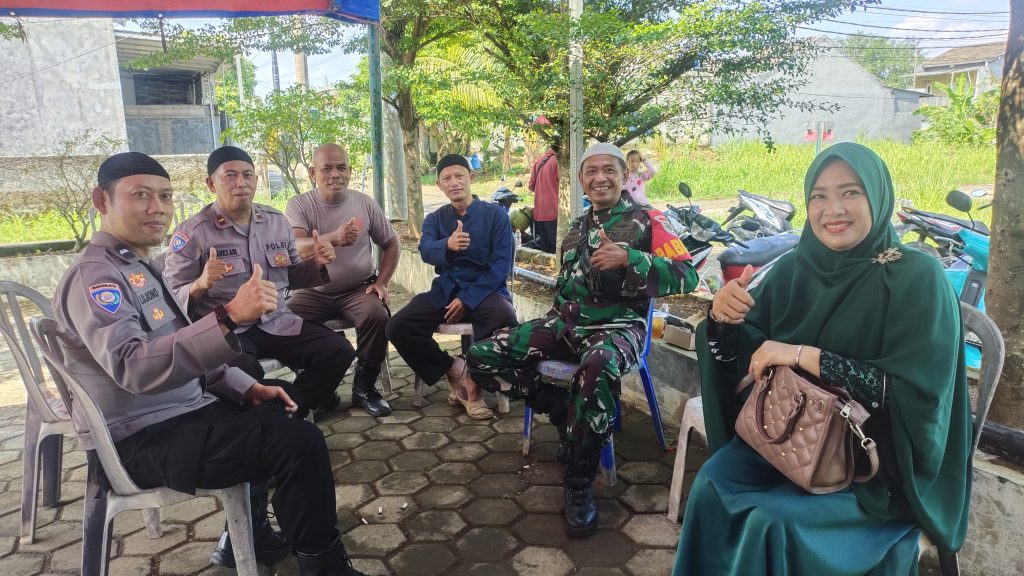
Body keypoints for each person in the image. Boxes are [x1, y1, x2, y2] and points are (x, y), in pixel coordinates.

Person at [53, 152, 368, 576]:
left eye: (165, 196)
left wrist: (243, 387)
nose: (157, 208)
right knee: (299, 442)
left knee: (281, 403)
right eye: (141, 195)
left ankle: (252, 533)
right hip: (139, 439)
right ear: (101, 200)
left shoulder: (136, 264)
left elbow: (174, 338)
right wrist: (229, 316)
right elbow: (134, 367)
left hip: (183, 410)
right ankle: (324, 567)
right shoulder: (97, 278)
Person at [672, 142, 971, 575]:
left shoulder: (915, 277)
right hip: (786, 440)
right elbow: (741, 360)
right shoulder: (795, 268)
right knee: (712, 484)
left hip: (873, 464)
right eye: (819, 195)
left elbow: (913, 396)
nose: (834, 209)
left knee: (773, 523)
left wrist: (802, 355)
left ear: (877, 197)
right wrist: (722, 319)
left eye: (850, 192)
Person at [464, 143, 699, 536]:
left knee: (598, 368)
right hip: (565, 324)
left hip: (618, 328)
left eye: (609, 170)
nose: (600, 178)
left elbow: (688, 275)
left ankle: (578, 483)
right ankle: (562, 411)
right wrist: (551, 324)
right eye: (591, 171)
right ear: (581, 179)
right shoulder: (576, 226)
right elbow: (565, 287)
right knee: (481, 355)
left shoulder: (648, 219)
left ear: (625, 176)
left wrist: (631, 259)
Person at [163, 146, 355, 420]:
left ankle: (291, 411)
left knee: (338, 350)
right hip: (227, 330)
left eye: (248, 175)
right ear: (211, 184)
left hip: (276, 322)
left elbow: (291, 277)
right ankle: (267, 420)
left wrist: (317, 264)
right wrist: (200, 285)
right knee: (242, 373)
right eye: (230, 176)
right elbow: (170, 301)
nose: (241, 183)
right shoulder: (193, 233)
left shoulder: (275, 222)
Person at [386, 154, 518, 420]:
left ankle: (476, 384)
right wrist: (447, 244)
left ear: (471, 177)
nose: (454, 182)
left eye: (459, 176)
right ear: (439, 185)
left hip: (486, 290)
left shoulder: (495, 215)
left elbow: (500, 266)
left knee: (504, 315)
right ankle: (455, 368)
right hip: (446, 290)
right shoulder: (435, 219)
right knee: (398, 326)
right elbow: (425, 251)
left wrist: (468, 299)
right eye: (446, 178)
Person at [285, 144, 400, 417]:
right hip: (312, 290)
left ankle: (364, 387)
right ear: (313, 173)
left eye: (341, 167)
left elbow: (391, 244)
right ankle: (323, 387)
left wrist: (382, 282)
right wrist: (333, 238)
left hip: (358, 288)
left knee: (377, 315)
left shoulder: (365, 203)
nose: (335, 174)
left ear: (350, 171)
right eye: (326, 168)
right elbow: (295, 247)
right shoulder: (299, 205)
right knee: (282, 321)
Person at [525, 135, 560, 253]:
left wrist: (543, 188)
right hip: (554, 211)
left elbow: (531, 185)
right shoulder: (558, 161)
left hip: (539, 213)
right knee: (556, 250)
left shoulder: (539, 161)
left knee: (545, 250)